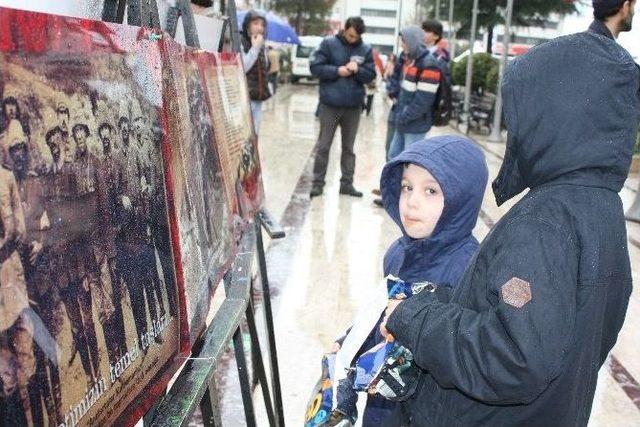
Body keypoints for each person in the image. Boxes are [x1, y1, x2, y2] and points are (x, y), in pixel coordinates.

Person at [381, 6, 640, 425]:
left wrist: (416, 317)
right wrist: (448, 302)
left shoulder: (546, 221)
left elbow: (514, 359)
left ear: (552, 116)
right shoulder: (601, 205)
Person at [329, 136, 488, 426]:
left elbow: (461, 355)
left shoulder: (468, 270)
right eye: (407, 187)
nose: (412, 202)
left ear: (461, 197)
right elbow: (380, 314)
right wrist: (350, 343)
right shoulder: (399, 253)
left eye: (431, 191)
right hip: (382, 404)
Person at [309, 16, 376, 198]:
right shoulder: (328, 44)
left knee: (349, 149)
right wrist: (336, 70)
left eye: (356, 37)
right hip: (329, 105)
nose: (353, 39)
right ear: (345, 29)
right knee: (323, 146)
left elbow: (371, 75)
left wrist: (358, 70)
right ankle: (317, 183)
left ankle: (346, 184)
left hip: (353, 107)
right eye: (350, 35)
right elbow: (315, 66)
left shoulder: (366, 49)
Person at [387, 26, 443, 161]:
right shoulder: (408, 59)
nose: (401, 44)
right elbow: (396, 80)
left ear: (413, 41)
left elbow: (423, 101)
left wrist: (403, 116)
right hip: (403, 120)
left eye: (404, 41)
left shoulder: (429, 64)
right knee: (394, 157)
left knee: (409, 163)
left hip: (416, 124)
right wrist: (393, 94)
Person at [241, 10, 271, 133]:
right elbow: (243, 67)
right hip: (244, 99)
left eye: (262, 25)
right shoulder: (240, 41)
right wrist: (255, 48)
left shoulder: (262, 45)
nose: (260, 28)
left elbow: (266, 68)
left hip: (258, 98)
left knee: (254, 136)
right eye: (256, 23)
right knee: (244, 136)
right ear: (248, 25)